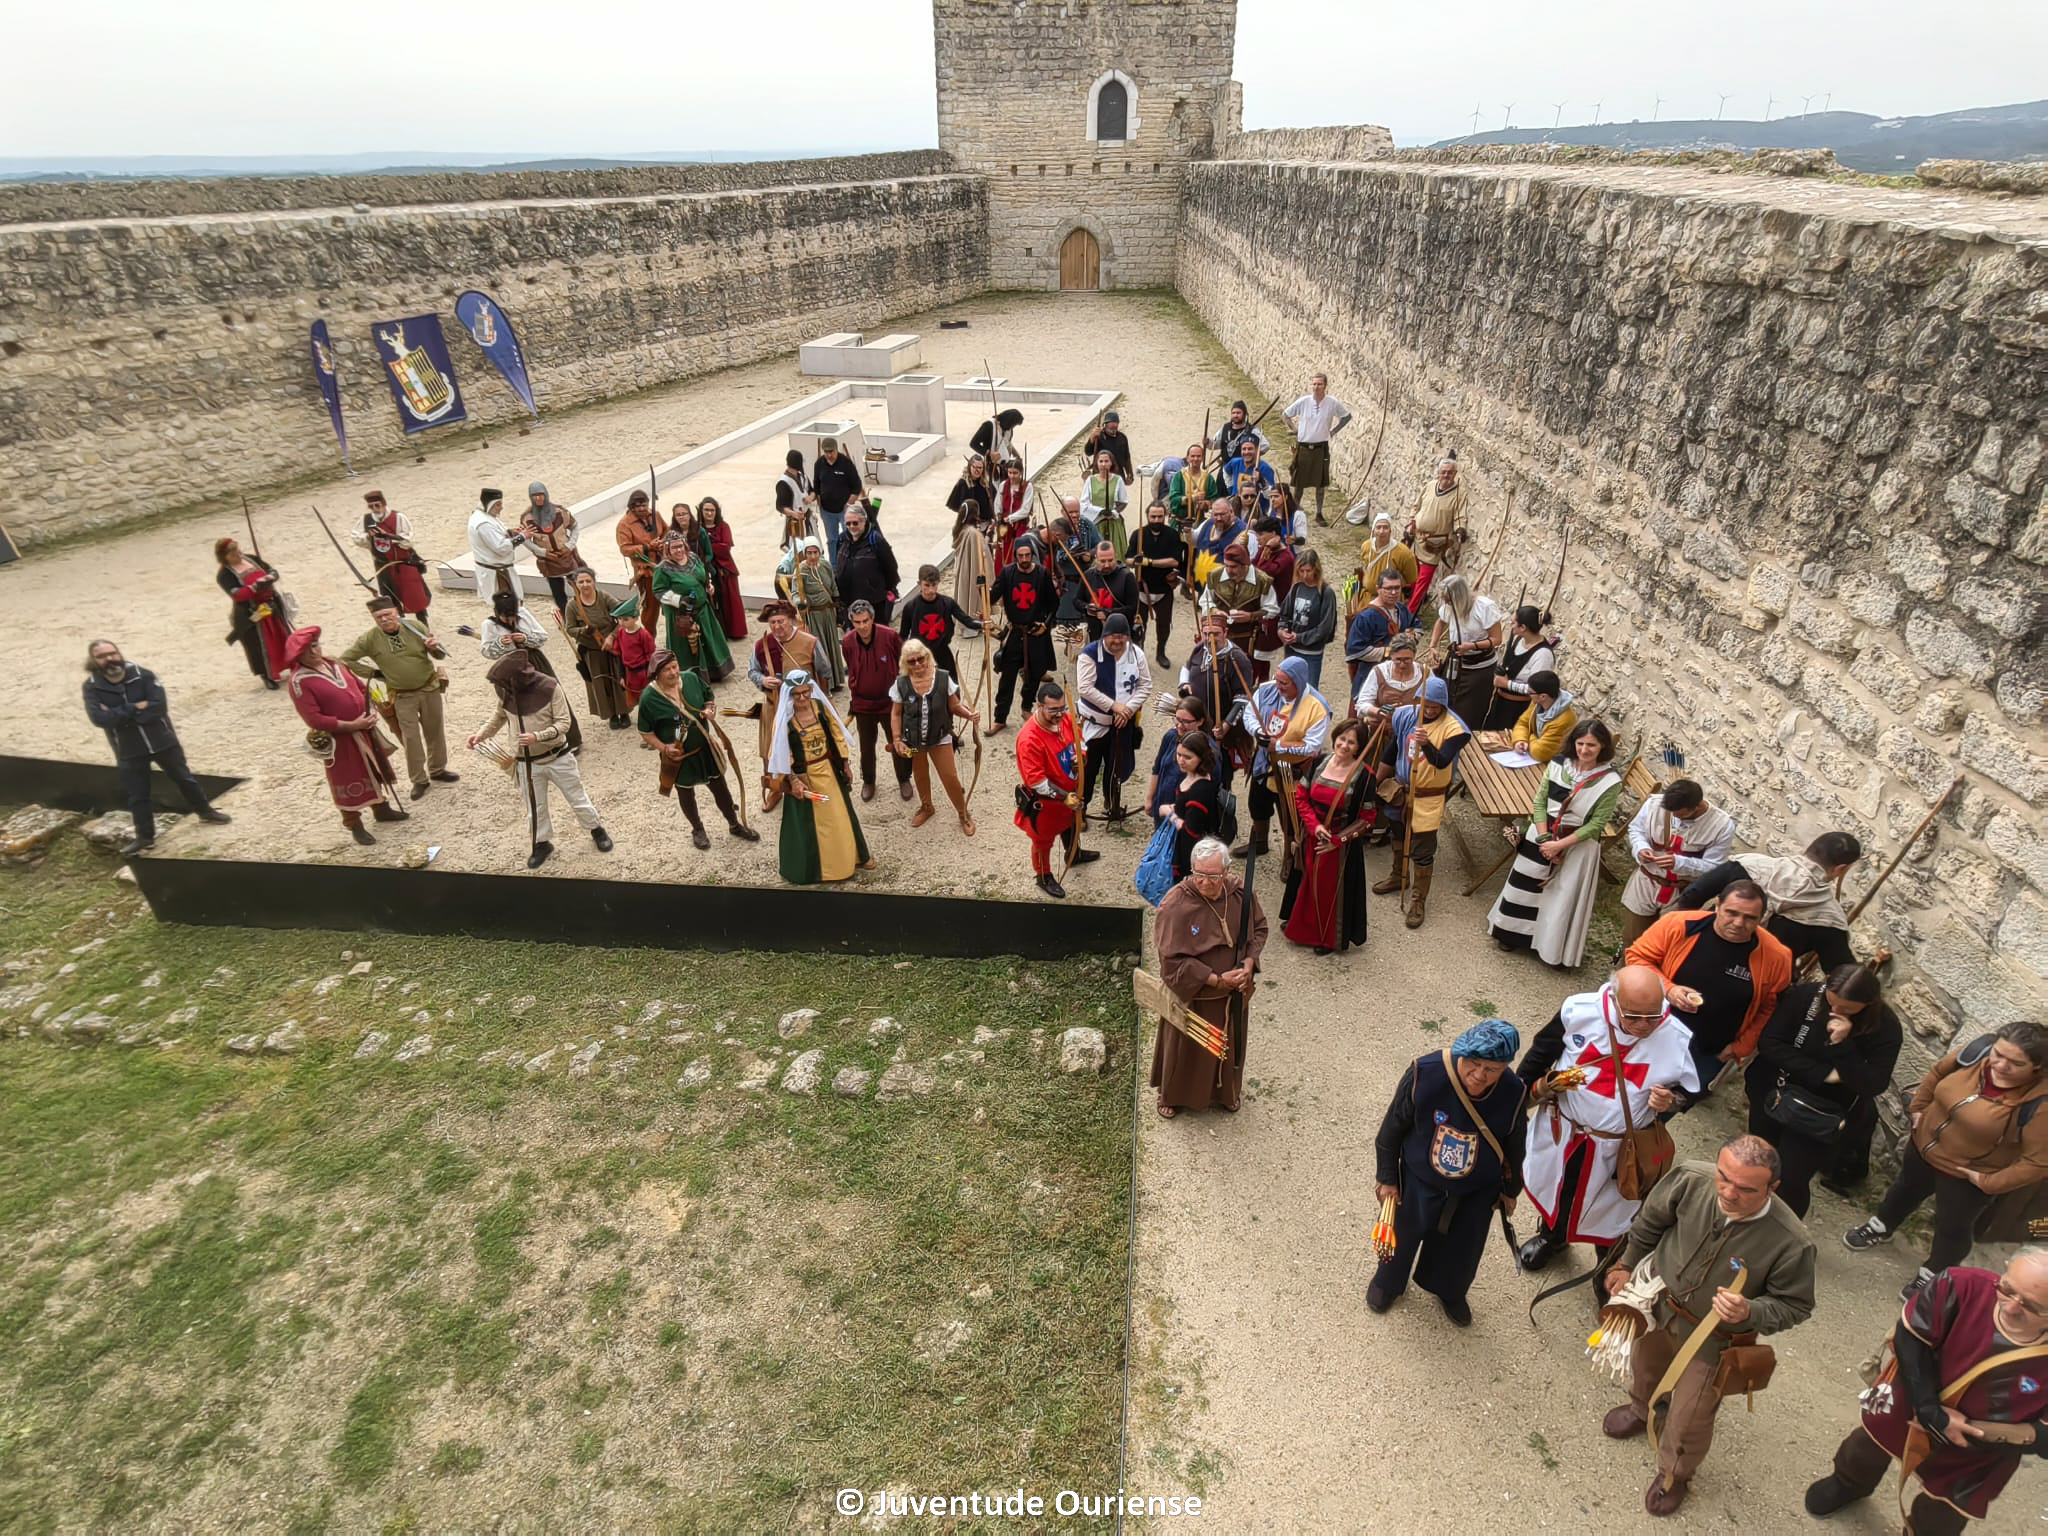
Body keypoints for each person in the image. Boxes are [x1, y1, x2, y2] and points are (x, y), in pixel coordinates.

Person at [1600, 1138, 1817, 1517]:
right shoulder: (1690, 1179)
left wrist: (1750, 1311)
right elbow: (1651, 1222)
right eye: (1724, 1177)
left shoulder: (1792, 1243)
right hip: (1659, 1305)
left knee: (1691, 1416)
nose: (1729, 1193)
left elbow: (1795, 1306)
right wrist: (1625, 1264)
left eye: (1746, 1188)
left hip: (1712, 1340)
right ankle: (1642, 1410)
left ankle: (1675, 1473)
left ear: (1773, 1188)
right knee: (1645, 1367)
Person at [1805, 1249, 2048, 1535]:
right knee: (1865, 1446)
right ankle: (1849, 1483)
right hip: (1914, 1398)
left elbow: (2043, 1437)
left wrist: (1970, 1432)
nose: (2010, 1308)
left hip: (1983, 1445)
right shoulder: (1959, 1283)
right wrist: (1928, 1408)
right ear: (2005, 1268)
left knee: (1943, 1515)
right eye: (2007, 1290)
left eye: (2032, 1307)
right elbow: (1910, 1337)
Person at [1515, 966, 1698, 1271]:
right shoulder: (1579, 1011)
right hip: (1568, 1131)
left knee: (1614, 1208)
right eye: (1633, 1016)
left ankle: (1608, 1271)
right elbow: (1541, 1052)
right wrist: (1515, 1099)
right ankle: (1553, 1238)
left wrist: (1671, 1101)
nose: (1643, 1026)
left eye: (1651, 1017)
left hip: (1620, 1148)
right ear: (1614, 1000)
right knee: (1562, 1188)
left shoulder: (1675, 1037)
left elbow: (1690, 1090)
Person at [1844, 1022, 2048, 1284]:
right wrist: (1918, 1108)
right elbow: (1937, 1074)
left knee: (1952, 1228)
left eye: (2015, 1064)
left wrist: (1988, 1182)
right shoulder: (1976, 1053)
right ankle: (1881, 1226)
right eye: (1998, 1054)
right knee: (1904, 1190)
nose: (1999, 1065)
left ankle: (1934, 1273)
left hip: (1966, 1176)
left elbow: (2038, 1162)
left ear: (2037, 1067)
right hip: (1923, 1148)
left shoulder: (2039, 1104)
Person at [1370, 1020, 1526, 1324]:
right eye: (1474, 1063)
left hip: (1476, 1189)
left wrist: (1511, 1190)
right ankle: (1387, 1283)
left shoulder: (1514, 1091)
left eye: (1492, 1069)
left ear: (1506, 1067)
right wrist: (1387, 1177)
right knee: (1401, 1235)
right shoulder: (1424, 1073)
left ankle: (1450, 1290)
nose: (1480, 1075)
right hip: (1418, 1180)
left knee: (1463, 1247)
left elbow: (1515, 1146)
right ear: (1461, 1054)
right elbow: (1391, 1130)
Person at [1743, 964, 1894, 1215]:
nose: (1835, 1011)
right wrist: (1823, 1074)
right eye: (1831, 1002)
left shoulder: (1885, 1027)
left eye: (1846, 1009)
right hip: (1774, 1092)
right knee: (1758, 1160)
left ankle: (1779, 1231)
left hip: (1822, 1113)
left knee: (1790, 1179)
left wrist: (1842, 1047)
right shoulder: (1807, 996)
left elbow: (1873, 1083)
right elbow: (1771, 1042)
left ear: (1867, 1004)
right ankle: (1744, 1209)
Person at [1626, 882, 1794, 1106]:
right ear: (1717, 906)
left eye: (1749, 918)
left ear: (1762, 918)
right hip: (1649, 1033)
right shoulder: (1679, 925)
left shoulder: (1776, 956)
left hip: (1707, 1053)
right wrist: (1669, 989)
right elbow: (1637, 958)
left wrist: (1741, 1048)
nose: (1738, 923)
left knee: (1664, 1110)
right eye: (1731, 913)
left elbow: (1770, 1007)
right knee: (1622, 1096)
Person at [1486, 718, 1625, 966]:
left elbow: (1596, 824)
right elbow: (1539, 802)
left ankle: (1549, 949)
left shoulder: (1610, 781)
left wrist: (1560, 846)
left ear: (1602, 746)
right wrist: (1544, 839)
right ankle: (1511, 934)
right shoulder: (1559, 763)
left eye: (1591, 745)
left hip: (1577, 843)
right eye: (1580, 743)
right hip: (1542, 833)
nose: (1584, 750)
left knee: (1560, 898)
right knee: (1524, 887)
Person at [82, 641, 233, 855]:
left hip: (162, 741)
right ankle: (145, 838)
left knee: (184, 778)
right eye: (102, 656)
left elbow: (158, 707)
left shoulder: (143, 675)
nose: (110, 659)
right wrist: (135, 707)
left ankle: (205, 812)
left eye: (112, 653)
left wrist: (118, 714)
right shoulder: (91, 686)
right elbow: (99, 718)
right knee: (138, 795)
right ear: (93, 660)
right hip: (128, 748)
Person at [1153, 837, 1267, 1116]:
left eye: (1213, 876)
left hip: (1234, 994)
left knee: (1229, 1045)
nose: (1205, 883)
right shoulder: (1175, 905)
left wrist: (1249, 964)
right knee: (1186, 1050)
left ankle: (1226, 1093)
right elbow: (1171, 963)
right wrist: (1215, 979)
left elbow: (1259, 929)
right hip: (1197, 996)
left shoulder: (1240, 894)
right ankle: (1172, 1096)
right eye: (1199, 875)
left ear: (1226, 871)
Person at [470, 651, 611, 869]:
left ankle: (596, 830)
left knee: (576, 797)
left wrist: (538, 736)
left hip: (558, 757)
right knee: (535, 807)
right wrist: (481, 735)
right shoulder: (507, 690)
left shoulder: (550, 687)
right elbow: (499, 716)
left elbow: (564, 723)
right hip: (527, 762)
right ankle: (541, 843)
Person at [283, 627, 408, 846]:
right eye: (306, 650)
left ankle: (382, 809)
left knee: (375, 768)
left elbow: (360, 688)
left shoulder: (337, 665)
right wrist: (351, 725)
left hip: (365, 729)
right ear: (297, 656)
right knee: (348, 777)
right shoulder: (299, 682)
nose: (313, 652)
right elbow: (314, 719)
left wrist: (370, 709)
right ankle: (354, 824)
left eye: (314, 645)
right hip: (341, 741)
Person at [1674, 832, 1864, 972]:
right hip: (1754, 986)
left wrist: (1681, 939)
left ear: (1808, 849)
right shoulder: (1829, 919)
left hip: (1697, 955)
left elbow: (1691, 896)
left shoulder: (1749, 865)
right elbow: (1841, 971)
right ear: (1841, 869)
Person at [1373, 675, 1471, 928]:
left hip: (1428, 796)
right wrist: (1376, 780)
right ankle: (1398, 876)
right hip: (1399, 789)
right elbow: (1392, 749)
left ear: (1443, 706)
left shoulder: (1455, 729)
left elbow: (1441, 761)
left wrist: (1426, 744)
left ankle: (1418, 898)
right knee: (1397, 833)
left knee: (1423, 847)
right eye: (1425, 705)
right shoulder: (1406, 715)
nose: (1428, 711)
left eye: (1434, 707)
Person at [636, 647, 756, 850]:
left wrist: (710, 710)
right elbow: (646, 733)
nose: (673, 672)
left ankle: (734, 825)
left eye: (675, 667)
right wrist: (665, 749)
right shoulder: (649, 698)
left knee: (721, 790)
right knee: (686, 794)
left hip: (705, 749)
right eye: (667, 670)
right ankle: (698, 830)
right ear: (657, 673)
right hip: (679, 759)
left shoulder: (690, 679)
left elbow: (709, 697)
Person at [341, 596, 458, 797]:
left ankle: (438, 770)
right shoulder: (370, 639)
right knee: (410, 738)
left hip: (429, 688)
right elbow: (345, 659)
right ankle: (419, 780)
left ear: (396, 612)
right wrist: (375, 673)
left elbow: (439, 656)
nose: (384, 620)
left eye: (388, 614)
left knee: (435, 732)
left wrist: (434, 648)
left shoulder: (415, 627)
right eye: (379, 617)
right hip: (403, 696)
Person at [1278, 716, 1377, 954]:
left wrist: (1336, 841)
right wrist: (1314, 827)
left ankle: (1326, 939)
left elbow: (1367, 819)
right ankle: (1300, 928)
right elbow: (1300, 796)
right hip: (1313, 835)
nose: (1344, 745)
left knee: (1327, 892)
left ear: (1359, 747)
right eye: (1342, 739)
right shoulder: (1320, 761)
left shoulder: (1365, 776)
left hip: (1339, 845)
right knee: (1305, 883)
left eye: (1351, 743)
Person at [766, 668, 871, 884]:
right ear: (790, 695)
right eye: (797, 694)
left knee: (840, 816)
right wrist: (793, 781)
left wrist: (845, 763)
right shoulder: (785, 720)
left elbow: (836, 735)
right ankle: (815, 870)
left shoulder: (821, 709)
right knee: (811, 825)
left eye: (806, 692)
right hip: (805, 780)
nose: (803, 698)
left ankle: (854, 857)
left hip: (829, 772)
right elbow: (779, 753)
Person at [1619, 780, 1737, 946]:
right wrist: (1641, 848)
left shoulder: (1722, 826)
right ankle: (1624, 971)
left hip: (1682, 891)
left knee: (1665, 943)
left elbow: (1715, 867)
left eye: (1680, 814)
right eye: (1671, 812)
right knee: (1632, 939)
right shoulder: (1654, 804)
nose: (1674, 817)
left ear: (1696, 806)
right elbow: (1636, 829)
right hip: (1647, 881)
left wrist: (1680, 863)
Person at [1238, 656, 1330, 863]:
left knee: (1290, 816)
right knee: (1257, 804)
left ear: (1297, 681)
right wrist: (1257, 731)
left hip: (1292, 770)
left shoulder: (1317, 707)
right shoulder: (1266, 689)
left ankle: (1291, 854)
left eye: (1284, 683)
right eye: (1277, 680)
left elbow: (1313, 745)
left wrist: (1277, 745)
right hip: (1264, 763)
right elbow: (1250, 714)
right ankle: (1260, 841)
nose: (1278, 686)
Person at [1014, 681, 1094, 898]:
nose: (1060, 714)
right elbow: (1037, 781)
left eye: (1062, 708)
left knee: (1071, 824)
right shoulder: (1029, 739)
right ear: (1039, 706)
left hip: (1070, 794)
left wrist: (1081, 756)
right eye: (1053, 710)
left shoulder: (1065, 719)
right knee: (1043, 841)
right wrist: (1064, 797)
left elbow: (1080, 739)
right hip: (1047, 803)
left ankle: (1073, 854)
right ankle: (1043, 876)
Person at [891, 638, 978, 836]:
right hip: (914, 741)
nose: (918, 664)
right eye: (912, 661)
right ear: (906, 662)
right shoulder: (901, 683)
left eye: (920, 659)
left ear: (927, 656)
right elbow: (896, 713)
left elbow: (954, 705)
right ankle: (927, 807)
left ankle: (963, 813)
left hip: (940, 738)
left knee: (950, 777)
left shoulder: (942, 678)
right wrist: (897, 739)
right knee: (920, 775)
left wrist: (969, 715)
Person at [1076, 614, 1152, 819]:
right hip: (1096, 722)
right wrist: (1114, 706)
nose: (1117, 641)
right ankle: (1080, 809)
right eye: (1113, 636)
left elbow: (1145, 685)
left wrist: (1127, 710)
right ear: (1104, 636)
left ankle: (1112, 801)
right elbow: (1085, 688)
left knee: (1116, 766)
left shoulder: (1136, 654)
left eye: (1122, 636)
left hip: (1122, 723)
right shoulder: (1090, 654)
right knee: (1088, 769)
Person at [842, 600, 912, 804]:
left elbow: (904, 661)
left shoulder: (889, 636)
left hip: (890, 702)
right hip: (862, 704)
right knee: (866, 746)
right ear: (852, 622)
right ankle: (869, 780)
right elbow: (851, 665)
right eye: (857, 622)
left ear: (872, 619)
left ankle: (904, 778)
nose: (862, 626)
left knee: (897, 741)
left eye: (865, 621)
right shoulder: (847, 641)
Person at [989, 540, 1057, 732]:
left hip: (1035, 632)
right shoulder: (1008, 573)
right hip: (1015, 632)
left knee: (1034, 674)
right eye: (1021, 556)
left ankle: (1026, 707)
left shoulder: (1042, 574)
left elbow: (1054, 604)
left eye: (1027, 555)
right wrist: (983, 590)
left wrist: (1045, 624)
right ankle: (1000, 717)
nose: (1025, 559)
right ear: (1016, 556)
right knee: (1007, 677)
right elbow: (993, 597)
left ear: (1032, 555)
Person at [653, 531, 733, 682]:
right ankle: (693, 677)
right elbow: (658, 591)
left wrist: (708, 586)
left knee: (709, 639)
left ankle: (715, 671)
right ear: (668, 549)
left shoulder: (693, 558)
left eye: (680, 546)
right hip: (680, 615)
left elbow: (704, 573)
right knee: (686, 648)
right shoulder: (662, 569)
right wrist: (678, 600)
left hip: (703, 610)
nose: (678, 550)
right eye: (674, 547)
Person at [560, 568, 632, 729]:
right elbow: (569, 628)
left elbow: (623, 616)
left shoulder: (604, 597)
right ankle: (612, 715)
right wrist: (583, 631)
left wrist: (612, 637)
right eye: (581, 582)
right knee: (601, 682)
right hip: (591, 651)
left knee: (618, 679)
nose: (585, 584)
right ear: (576, 584)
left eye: (588, 580)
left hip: (612, 648)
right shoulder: (572, 605)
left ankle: (624, 711)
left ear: (594, 581)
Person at [749, 601, 818, 766]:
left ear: (791, 620)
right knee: (772, 755)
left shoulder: (810, 642)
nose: (777, 626)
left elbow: (824, 672)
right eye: (773, 622)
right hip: (774, 707)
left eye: (781, 621)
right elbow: (752, 671)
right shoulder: (761, 645)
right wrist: (763, 680)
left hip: (803, 706)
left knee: (808, 754)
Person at [1429, 573, 1503, 727]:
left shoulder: (1484, 607)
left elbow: (1497, 639)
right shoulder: (1449, 606)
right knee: (1447, 698)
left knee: (1469, 710)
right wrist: (1433, 645)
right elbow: (1441, 621)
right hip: (1456, 661)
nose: (1446, 604)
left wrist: (1472, 646)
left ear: (1458, 596)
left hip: (1479, 667)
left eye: (1449, 600)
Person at [215, 535, 289, 688]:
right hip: (252, 613)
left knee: (283, 636)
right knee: (258, 646)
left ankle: (293, 663)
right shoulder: (224, 575)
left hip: (271, 605)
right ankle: (266, 676)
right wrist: (255, 587)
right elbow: (237, 594)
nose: (237, 555)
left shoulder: (251, 559)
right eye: (232, 554)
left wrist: (269, 578)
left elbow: (273, 571)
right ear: (224, 557)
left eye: (237, 551)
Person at [1282, 374, 1351, 523]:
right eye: (1314, 384)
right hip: (1304, 447)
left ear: (1325, 386)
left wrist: (1334, 431)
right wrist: (1295, 429)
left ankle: (1319, 514)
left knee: (1320, 484)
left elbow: (1346, 417)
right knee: (1299, 483)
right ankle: (1294, 510)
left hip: (1321, 448)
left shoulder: (1332, 403)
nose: (1316, 387)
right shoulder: (1304, 402)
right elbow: (1285, 415)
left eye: (1319, 384)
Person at [778, 537, 844, 691]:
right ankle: (825, 682)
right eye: (809, 553)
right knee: (819, 647)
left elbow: (833, 585)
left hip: (828, 612)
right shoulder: (800, 571)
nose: (813, 556)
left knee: (832, 645)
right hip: (814, 615)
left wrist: (837, 602)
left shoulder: (825, 565)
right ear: (805, 553)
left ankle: (836, 679)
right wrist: (800, 601)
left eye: (815, 552)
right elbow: (795, 591)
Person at [354, 489, 431, 621]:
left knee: (415, 597)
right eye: (371, 506)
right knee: (391, 600)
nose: (374, 509)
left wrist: (389, 536)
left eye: (377, 505)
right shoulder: (366, 520)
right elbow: (356, 537)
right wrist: (368, 536)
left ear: (383, 504)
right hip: (383, 566)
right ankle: (402, 626)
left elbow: (408, 540)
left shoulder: (398, 517)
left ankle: (424, 627)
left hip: (404, 563)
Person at [898, 564, 983, 682]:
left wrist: (983, 625)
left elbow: (966, 620)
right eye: (926, 585)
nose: (931, 590)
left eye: (934, 585)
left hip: (942, 653)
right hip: (919, 657)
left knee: (952, 688)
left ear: (938, 583)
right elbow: (903, 636)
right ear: (919, 584)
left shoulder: (947, 603)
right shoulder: (911, 607)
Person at [1201, 539, 1278, 663]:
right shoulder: (1215, 576)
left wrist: (1251, 616)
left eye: (1233, 567)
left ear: (1245, 565)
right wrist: (1214, 611)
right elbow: (1205, 601)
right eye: (1226, 565)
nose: (1229, 570)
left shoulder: (1262, 581)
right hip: (1218, 638)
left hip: (1247, 640)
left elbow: (1272, 609)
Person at [1161, 730, 1221, 882]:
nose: (1181, 760)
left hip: (1190, 856)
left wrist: (1169, 813)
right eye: (1179, 754)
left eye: (1187, 757)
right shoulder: (1192, 776)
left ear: (1201, 758)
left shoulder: (1200, 791)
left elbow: (1191, 832)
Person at [1344, 566, 1416, 692]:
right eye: (1388, 588)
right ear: (1378, 589)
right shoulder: (1365, 617)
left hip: (1398, 675)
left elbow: (1416, 627)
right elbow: (1355, 651)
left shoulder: (1402, 609)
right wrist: (1388, 651)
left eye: (1397, 588)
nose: (1393, 593)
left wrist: (1410, 637)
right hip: (1370, 676)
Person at [1485, 604, 1555, 731]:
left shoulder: (1543, 655)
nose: (1510, 625)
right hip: (1500, 703)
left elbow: (1537, 689)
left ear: (1523, 627)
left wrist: (1507, 684)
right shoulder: (1518, 640)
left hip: (1519, 710)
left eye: (1513, 623)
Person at [1409, 455, 1467, 608]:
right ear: (1439, 473)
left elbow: (1460, 516)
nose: (1446, 475)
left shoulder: (1459, 494)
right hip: (1418, 537)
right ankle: (1407, 599)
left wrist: (1460, 530)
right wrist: (1412, 522)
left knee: (1424, 579)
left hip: (1435, 543)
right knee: (1411, 572)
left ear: (1455, 474)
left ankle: (1411, 611)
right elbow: (1417, 505)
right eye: (1443, 472)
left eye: (1450, 472)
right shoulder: (1430, 485)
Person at [1132, 500, 1183, 666]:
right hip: (1141, 588)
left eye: (1160, 516)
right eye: (1153, 516)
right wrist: (1135, 561)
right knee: (1139, 626)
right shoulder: (1137, 534)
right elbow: (1127, 559)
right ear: (1147, 516)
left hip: (1164, 589)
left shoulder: (1173, 535)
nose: (1156, 520)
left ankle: (1161, 652)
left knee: (1163, 625)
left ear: (1165, 516)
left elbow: (1175, 562)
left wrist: (1149, 562)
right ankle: (1139, 656)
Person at [1277, 548, 1337, 687]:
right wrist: (1282, 630)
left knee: (1309, 691)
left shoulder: (1325, 593)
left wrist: (1299, 637)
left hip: (1312, 653)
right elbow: (1284, 614)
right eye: (1301, 571)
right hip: (1292, 650)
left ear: (1316, 569)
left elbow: (1325, 628)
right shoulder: (1296, 588)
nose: (1304, 575)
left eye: (1308, 571)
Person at [835, 502, 898, 627]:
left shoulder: (876, 541)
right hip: (849, 602)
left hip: (874, 603)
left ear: (864, 521)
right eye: (848, 523)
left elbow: (891, 568)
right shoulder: (842, 539)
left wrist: (882, 589)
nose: (851, 526)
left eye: (855, 523)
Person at [520, 481, 579, 614]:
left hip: (567, 556)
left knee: (580, 588)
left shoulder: (560, 512)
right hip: (548, 561)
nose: (538, 498)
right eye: (534, 496)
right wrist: (542, 552)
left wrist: (569, 546)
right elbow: (525, 539)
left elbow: (574, 527)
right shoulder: (527, 518)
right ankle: (567, 618)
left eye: (541, 495)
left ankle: (584, 614)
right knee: (558, 594)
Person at [696, 497, 747, 642]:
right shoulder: (697, 528)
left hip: (725, 567)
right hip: (704, 567)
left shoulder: (723, 526)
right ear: (701, 511)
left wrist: (707, 546)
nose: (709, 513)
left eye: (712, 510)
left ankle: (734, 631)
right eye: (706, 510)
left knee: (729, 600)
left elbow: (726, 548)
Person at [1250, 517, 1296, 678]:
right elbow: (1252, 568)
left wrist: (1266, 552)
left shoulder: (1286, 558)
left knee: (1261, 656)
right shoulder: (1265, 550)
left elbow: (1262, 575)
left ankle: (1261, 685)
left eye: (1261, 535)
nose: (1258, 539)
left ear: (1273, 534)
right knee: (1251, 653)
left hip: (1272, 612)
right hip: (1258, 608)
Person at [1354, 629, 1426, 729]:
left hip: (1412, 733)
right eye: (1398, 660)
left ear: (1414, 655)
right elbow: (1362, 703)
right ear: (1391, 655)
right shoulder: (1380, 672)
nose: (1402, 664)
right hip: (1382, 731)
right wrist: (1378, 712)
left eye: (1407, 659)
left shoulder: (1424, 673)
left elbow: (1435, 704)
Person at [614, 489, 666, 625]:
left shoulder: (655, 515)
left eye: (644, 504)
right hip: (646, 572)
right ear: (631, 507)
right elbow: (625, 549)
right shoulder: (624, 525)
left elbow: (666, 531)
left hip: (664, 565)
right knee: (651, 607)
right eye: (638, 506)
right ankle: (649, 639)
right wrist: (648, 547)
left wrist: (662, 543)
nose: (642, 508)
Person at [467, 487, 525, 603]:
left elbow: (497, 535)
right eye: (498, 505)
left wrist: (510, 533)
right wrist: (522, 537)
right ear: (489, 505)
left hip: (500, 570)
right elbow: (500, 547)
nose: (501, 508)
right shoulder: (483, 523)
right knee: (506, 607)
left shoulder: (488, 517)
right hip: (497, 574)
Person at [481, 590, 557, 679]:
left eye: (512, 617)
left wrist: (525, 639)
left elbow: (543, 637)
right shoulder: (489, 624)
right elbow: (487, 653)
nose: (510, 622)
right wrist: (500, 643)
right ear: (498, 613)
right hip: (510, 665)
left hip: (534, 661)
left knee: (548, 688)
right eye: (506, 619)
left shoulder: (523, 614)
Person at [1506, 670, 1577, 763]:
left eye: (1530, 692)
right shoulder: (1536, 703)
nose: (1529, 695)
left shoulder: (1564, 720)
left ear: (1543, 696)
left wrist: (1530, 735)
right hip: (1533, 758)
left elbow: (1539, 753)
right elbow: (1523, 723)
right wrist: (1520, 740)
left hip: (1552, 765)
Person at [811, 437, 866, 555]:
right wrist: (815, 498)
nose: (829, 455)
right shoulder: (819, 464)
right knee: (832, 540)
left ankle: (850, 564)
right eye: (826, 452)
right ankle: (834, 567)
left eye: (831, 452)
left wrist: (849, 503)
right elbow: (816, 484)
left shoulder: (846, 463)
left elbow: (857, 485)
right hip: (826, 511)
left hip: (844, 511)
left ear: (836, 449)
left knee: (849, 538)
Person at [1355, 508, 1418, 608]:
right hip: (1367, 599)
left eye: (1385, 527)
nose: (1381, 531)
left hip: (1391, 602)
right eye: (1378, 527)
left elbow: (1411, 579)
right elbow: (1365, 568)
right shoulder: (1366, 546)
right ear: (1373, 530)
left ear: (1390, 531)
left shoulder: (1403, 553)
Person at [1080, 539, 1140, 641]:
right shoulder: (1088, 575)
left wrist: (1108, 613)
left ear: (1115, 557)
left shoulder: (1127, 576)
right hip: (1095, 634)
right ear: (1096, 558)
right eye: (1102, 561)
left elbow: (1132, 607)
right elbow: (1077, 600)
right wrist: (1087, 608)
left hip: (1120, 634)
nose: (1107, 565)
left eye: (1110, 560)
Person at [1189, 494, 1249, 596]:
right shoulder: (1208, 523)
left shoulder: (1243, 531)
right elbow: (1194, 540)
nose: (1218, 518)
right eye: (1215, 515)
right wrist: (1187, 532)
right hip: (1204, 584)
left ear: (1231, 512)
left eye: (1222, 514)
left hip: (1227, 588)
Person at [1079, 448, 1130, 558]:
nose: (1103, 464)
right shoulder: (1090, 480)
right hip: (1096, 523)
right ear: (1096, 463)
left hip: (1113, 523)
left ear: (1111, 463)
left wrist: (1114, 512)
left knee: (1116, 554)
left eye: (1106, 461)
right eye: (1101, 461)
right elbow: (1084, 503)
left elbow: (1123, 501)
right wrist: (1100, 511)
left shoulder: (1118, 480)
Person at [1167, 443, 1222, 526]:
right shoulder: (1179, 476)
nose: (1195, 459)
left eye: (1198, 456)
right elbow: (1173, 500)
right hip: (1180, 523)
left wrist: (1206, 504)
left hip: (1201, 524)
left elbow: (1214, 499)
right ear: (1187, 458)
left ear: (1202, 458)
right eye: (1192, 456)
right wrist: (1192, 498)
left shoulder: (1208, 478)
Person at [613, 602, 656, 708]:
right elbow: (620, 654)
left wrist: (651, 676)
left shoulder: (644, 635)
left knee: (647, 699)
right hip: (629, 674)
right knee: (634, 701)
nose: (622, 622)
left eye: (626, 619)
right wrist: (621, 676)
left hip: (643, 674)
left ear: (636, 618)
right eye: (619, 619)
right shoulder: (621, 633)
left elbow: (651, 657)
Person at [1223, 436, 1277, 517]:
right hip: (1237, 508)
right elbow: (1225, 471)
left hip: (1257, 511)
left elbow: (1271, 495)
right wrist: (1231, 488)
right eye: (1244, 449)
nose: (1246, 452)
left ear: (1257, 450)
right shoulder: (1235, 462)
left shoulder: (1265, 468)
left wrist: (1261, 481)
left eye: (1250, 449)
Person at [775, 449, 817, 549]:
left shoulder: (803, 477)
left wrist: (810, 497)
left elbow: (812, 491)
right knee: (798, 554)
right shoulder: (784, 482)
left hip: (808, 519)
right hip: (795, 523)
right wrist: (794, 514)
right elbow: (780, 506)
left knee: (813, 549)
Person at [1212, 399, 1268, 468]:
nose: (1235, 415)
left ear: (1244, 414)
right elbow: (1214, 444)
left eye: (1238, 413)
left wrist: (1251, 456)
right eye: (1233, 413)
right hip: (1225, 468)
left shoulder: (1252, 430)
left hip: (1244, 470)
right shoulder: (1225, 428)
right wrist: (1208, 442)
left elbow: (1265, 446)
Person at [1082, 408, 1134, 483]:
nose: (1113, 425)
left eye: (1115, 423)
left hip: (1118, 475)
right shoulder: (1099, 437)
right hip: (1100, 475)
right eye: (1111, 423)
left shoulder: (1122, 438)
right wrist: (1092, 438)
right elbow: (1088, 452)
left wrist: (1130, 474)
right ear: (1105, 424)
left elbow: (1126, 458)